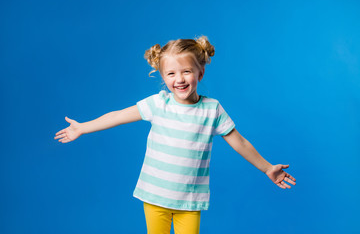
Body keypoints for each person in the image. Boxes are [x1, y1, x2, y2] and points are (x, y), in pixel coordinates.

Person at [54, 36, 296, 234]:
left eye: (186, 71)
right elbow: (117, 116)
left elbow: (239, 142)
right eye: (171, 74)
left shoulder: (212, 109)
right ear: (162, 77)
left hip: (189, 201)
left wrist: (266, 168)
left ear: (200, 73)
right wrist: (82, 127)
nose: (179, 79)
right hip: (155, 195)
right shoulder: (158, 104)